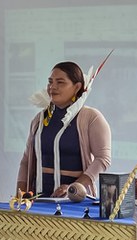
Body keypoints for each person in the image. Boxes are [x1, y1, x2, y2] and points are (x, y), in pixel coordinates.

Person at [16, 61, 112, 198]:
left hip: (75, 202)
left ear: (77, 87)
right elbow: (26, 160)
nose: (52, 87)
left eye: (60, 82)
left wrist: (74, 188)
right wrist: (20, 193)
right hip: (38, 201)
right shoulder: (39, 119)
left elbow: (103, 159)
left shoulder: (92, 118)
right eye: (50, 82)